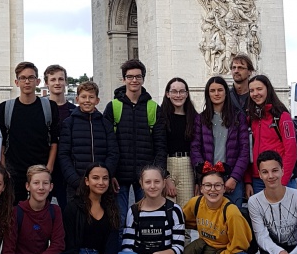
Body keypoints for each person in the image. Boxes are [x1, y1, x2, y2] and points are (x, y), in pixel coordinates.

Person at [103, 59, 167, 227]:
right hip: (119, 175)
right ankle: (122, 252)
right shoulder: (113, 107)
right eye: (130, 77)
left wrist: (158, 173)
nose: (134, 80)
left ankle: (145, 253)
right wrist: (110, 174)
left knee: (147, 219)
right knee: (120, 219)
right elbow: (107, 143)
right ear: (123, 79)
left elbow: (161, 144)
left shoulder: (153, 107)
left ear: (143, 79)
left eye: (138, 77)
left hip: (146, 176)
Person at [0, 62, 59, 202]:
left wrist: (49, 167)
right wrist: (4, 168)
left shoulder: (50, 107)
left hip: (41, 170)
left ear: (38, 81)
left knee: (41, 214)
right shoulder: (5, 108)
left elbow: (54, 140)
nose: (27, 81)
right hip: (14, 172)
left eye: (31, 77)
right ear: (17, 82)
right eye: (23, 78)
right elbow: (1, 142)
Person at [190, 76, 249, 209]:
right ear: (208, 94)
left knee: (233, 220)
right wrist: (204, 175)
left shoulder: (238, 118)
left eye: (220, 90)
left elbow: (244, 150)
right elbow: (195, 149)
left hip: (232, 179)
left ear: (226, 93)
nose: (216, 94)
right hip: (208, 179)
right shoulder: (200, 119)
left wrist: (234, 178)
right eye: (212, 91)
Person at [59, 81, 119, 203]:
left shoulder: (105, 124)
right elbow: (64, 155)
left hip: (101, 185)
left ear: (97, 100)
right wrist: (76, 181)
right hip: (76, 185)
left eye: (91, 97)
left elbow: (113, 152)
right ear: (77, 99)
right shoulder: (69, 123)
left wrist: (105, 176)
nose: (87, 100)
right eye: (83, 97)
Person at [245, 74, 297, 197]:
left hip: (279, 178)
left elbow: (291, 150)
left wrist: (282, 181)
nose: (255, 93)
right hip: (258, 179)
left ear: (268, 89)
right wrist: (248, 180)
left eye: (259, 89)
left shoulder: (282, 116)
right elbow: (247, 151)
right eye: (251, 90)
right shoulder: (251, 119)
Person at [160, 77, 197, 210]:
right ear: (167, 93)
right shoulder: (161, 117)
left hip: (186, 165)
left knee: (186, 210)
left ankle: (184, 232)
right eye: (174, 91)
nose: (178, 95)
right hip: (167, 163)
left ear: (187, 94)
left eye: (182, 91)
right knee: (166, 210)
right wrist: (165, 176)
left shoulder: (194, 117)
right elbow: (159, 147)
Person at [44, 64, 75, 209]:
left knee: (67, 211)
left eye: (61, 79)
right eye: (53, 79)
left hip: (68, 168)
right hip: (44, 166)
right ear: (46, 83)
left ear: (66, 82)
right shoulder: (39, 109)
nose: (57, 83)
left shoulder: (75, 111)